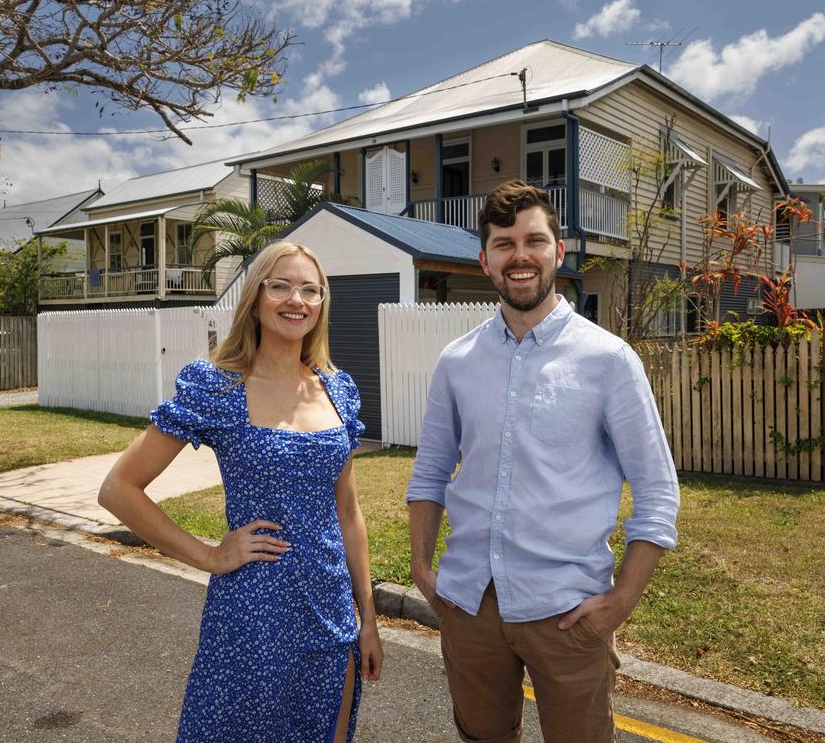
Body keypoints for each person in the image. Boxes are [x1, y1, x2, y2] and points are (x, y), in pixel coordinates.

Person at [406, 180, 679, 743]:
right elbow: (430, 473)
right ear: (485, 261)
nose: (520, 256)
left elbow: (657, 492)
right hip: (470, 604)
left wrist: (618, 604)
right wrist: (424, 571)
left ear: (559, 250)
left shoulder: (608, 359)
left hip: (568, 610)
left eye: (534, 240)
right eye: (504, 244)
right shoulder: (457, 362)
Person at [99, 240, 383, 743]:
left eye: (309, 290)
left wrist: (369, 618)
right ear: (255, 297)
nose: (296, 299)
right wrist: (209, 555)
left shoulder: (338, 390)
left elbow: (349, 511)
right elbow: (120, 489)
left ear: (321, 305)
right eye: (281, 286)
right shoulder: (219, 388)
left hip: (332, 614)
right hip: (252, 616)